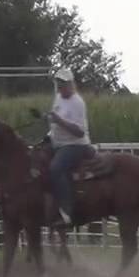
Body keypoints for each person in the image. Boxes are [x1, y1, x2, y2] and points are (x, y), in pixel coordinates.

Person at [46, 67, 92, 227]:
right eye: (58, 83)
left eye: (63, 84)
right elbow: (55, 119)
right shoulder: (58, 97)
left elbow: (79, 132)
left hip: (75, 145)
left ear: (70, 84)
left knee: (56, 168)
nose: (60, 87)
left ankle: (66, 210)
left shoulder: (77, 103)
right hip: (57, 142)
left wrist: (58, 121)